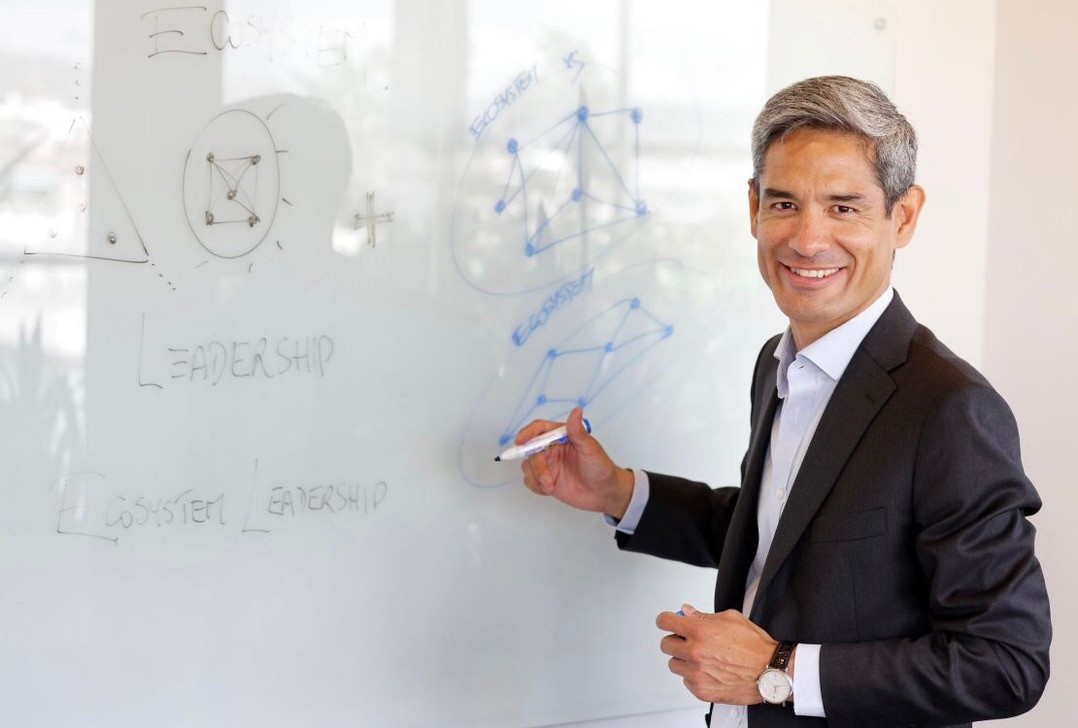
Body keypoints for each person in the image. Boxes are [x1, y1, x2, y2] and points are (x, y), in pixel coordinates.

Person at [516, 76, 1051, 728]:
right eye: (784, 203)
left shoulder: (950, 409)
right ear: (753, 208)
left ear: (904, 216)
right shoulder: (777, 361)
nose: (807, 239)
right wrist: (619, 492)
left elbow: (1006, 663)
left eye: (844, 207)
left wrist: (779, 670)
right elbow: (782, 534)